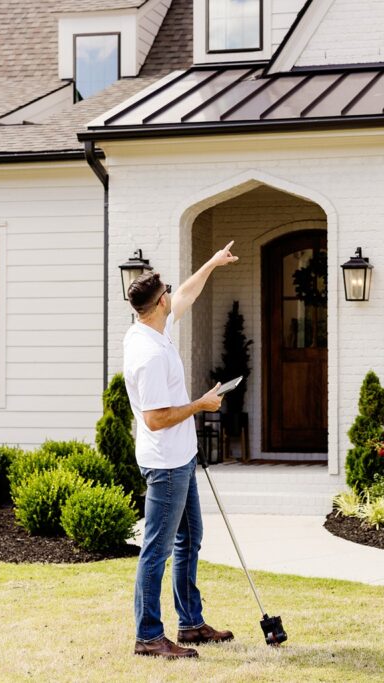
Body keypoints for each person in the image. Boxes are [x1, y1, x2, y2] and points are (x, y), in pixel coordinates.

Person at [123, 241, 239, 660]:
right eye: (167, 291)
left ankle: (190, 623)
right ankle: (149, 636)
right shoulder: (148, 354)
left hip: (182, 458)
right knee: (157, 549)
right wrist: (200, 405)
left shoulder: (152, 328)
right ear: (159, 302)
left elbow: (186, 293)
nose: (173, 294)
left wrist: (212, 263)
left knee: (190, 540)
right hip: (166, 464)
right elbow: (155, 418)